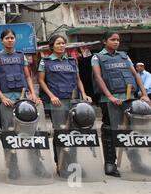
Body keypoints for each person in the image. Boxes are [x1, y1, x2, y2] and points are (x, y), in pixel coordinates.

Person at [92, 31, 151, 177]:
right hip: (109, 100)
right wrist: (110, 96)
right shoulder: (97, 57)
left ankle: (136, 163)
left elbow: (135, 75)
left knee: (132, 130)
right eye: (113, 39)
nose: (116, 42)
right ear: (104, 41)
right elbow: (98, 78)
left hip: (128, 98)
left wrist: (144, 94)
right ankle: (110, 164)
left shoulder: (124, 56)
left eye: (118, 40)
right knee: (109, 131)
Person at [0, 29, 46, 180]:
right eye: (7, 38)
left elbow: (28, 76)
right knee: (9, 133)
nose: (10, 40)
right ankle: (12, 166)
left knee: (32, 133)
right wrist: (2, 97)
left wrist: (33, 94)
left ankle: (37, 165)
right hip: (7, 100)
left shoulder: (21, 56)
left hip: (24, 99)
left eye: (12, 38)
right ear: (2, 40)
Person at [37, 35, 92, 178]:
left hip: (73, 100)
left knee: (74, 133)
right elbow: (41, 81)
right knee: (61, 133)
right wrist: (51, 96)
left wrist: (84, 94)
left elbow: (78, 79)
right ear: (52, 46)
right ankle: (61, 164)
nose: (62, 45)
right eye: (58, 43)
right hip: (57, 102)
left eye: (63, 43)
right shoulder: (45, 62)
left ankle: (73, 164)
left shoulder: (72, 61)